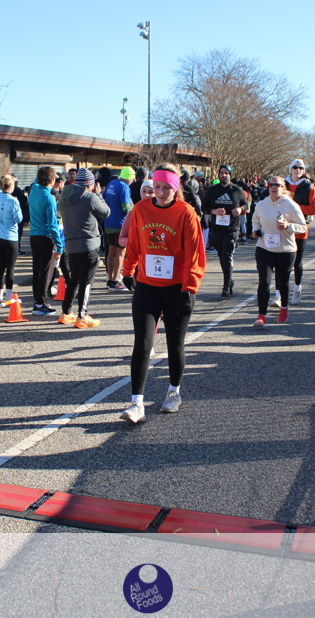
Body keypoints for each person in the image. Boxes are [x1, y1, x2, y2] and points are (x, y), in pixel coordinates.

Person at [120, 163, 206, 423]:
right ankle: (137, 404)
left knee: (174, 343)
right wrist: (128, 270)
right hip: (147, 285)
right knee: (143, 343)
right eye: (156, 186)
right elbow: (135, 243)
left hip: (177, 287)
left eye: (166, 187)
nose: (159, 192)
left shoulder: (186, 213)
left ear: (175, 188)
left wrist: (189, 288)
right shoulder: (140, 209)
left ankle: (173, 392)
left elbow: (194, 254)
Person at [57, 168, 109, 327]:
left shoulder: (63, 197)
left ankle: (66, 312)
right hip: (89, 244)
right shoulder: (90, 197)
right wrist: (99, 195)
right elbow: (106, 212)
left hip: (71, 244)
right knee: (86, 282)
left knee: (74, 279)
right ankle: (82, 315)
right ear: (89, 184)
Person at [251, 176, 306, 327]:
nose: (273, 187)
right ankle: (262, 316)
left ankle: (284, 308)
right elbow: (255, 220)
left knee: (283, 281)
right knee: (264, 280)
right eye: (271, 185)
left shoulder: (291, 205)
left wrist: (288, 226)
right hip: (264, 247)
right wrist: (255, 230)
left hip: (285, 249)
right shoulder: (262, 204)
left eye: (277, 185)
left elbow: (302, 226)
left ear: (283, 187)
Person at [202, 164, 248, 298]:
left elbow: (246, 204)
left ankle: (226, 286)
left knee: (227, 255)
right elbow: (204, 207)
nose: (224, 175)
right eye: (222, 173)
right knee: (222, 255)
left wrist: (240, 209)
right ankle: (229, 279)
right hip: (217, 228)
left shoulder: (236, 190)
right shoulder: (212, 190)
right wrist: (214, 211)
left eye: (226, 173)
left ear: (230, 175)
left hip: (232, 228)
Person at [282, 159, 315, 304]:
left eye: (301, 168)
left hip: (300, 228)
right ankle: (279, 293)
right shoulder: (282, 184)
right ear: (290, 169)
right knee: (281, 261)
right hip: (282, 227)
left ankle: (297, 288)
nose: (297, 170)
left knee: (297, 260)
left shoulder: (308, 187)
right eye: (295, 167)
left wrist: (296, 208)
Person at [28, 166, 63, 316]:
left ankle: (38, 301)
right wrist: (59, 245)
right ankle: (40, 304)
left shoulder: (34, 190)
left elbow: (37, 181)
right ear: (52, 180)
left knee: (37, 270)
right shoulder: (49, 199)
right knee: (45, 272)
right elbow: (53, 225)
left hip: (34, 236)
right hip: (45, 237)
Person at [103, 166, 134, 291]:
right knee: (121, 253)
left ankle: (109, 279)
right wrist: (135, 210)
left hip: (108, 222)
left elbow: (103, 198)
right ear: (130, 177)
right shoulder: (124, 187)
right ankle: (115, 281)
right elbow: (126, 207)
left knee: (111, 251)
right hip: (120, 223)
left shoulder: (112, 183)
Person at [0, 174, 23, 302]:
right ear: (11, 186)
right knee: (10, 266)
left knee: (1, 265)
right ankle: (9, 293)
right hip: (11, 236)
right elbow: (18, 218)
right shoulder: (13, 200)